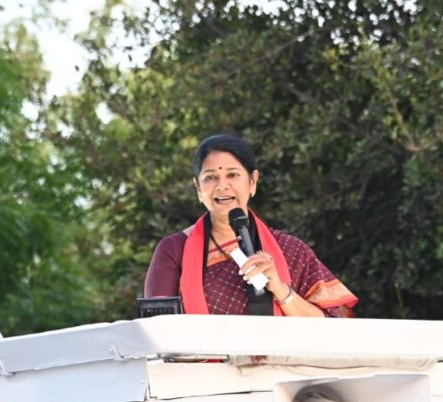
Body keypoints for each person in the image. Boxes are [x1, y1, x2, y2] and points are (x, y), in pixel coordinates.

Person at [144, 134, 357, 317]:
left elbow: (334, 325)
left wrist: (280, 290)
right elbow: (156, 330)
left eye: (233, 175)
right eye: (210, 178)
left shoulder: (291, 250)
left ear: (253, 181)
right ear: (198, 188)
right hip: (204, 356)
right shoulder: (174, 250)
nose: (222, 186)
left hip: (278, 356)